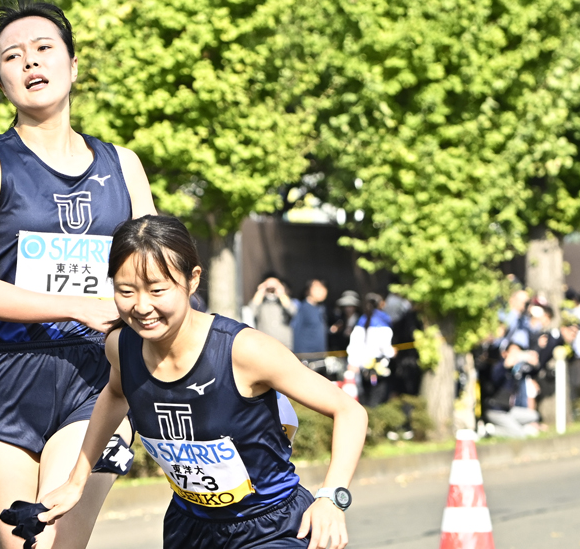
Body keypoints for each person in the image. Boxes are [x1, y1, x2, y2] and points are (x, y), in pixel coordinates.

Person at [0, 0, 157, 549]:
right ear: (2, 84)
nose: (30, 61)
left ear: (72, 64)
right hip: (6, 377)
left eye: (43, 47)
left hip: (98, 376)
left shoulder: (124, 165)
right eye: (12, 56)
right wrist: (77, 305)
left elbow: (156, 275)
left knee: (60, 541)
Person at [39, 215, 368, 549]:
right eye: (126, 291)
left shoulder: (244, 350)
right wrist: (75, 482)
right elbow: (114, 394)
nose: (141, 307)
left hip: (272, 527)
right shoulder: (121, 347)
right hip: (190, 528)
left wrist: (331, 497)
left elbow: (349, 411)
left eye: (157, 290)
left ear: (192, 280)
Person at [345, 293, 394, 407]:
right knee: (377, 400)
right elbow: (386, 349)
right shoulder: (384, 322)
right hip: (379, 367)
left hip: (363, 367)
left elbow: (354, 344)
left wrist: (352, 361)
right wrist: (392, 352)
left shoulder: (361, 321)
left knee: (364, 398)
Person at [246, 273, 298, 349]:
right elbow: (249, 313)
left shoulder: (284, 302)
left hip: (285, 346)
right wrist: (260, 291)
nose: (271, 289)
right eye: (269, 287)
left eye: (274, 287)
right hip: (264, 345)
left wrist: (281, 293)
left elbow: (294, 311)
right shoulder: (261, 304)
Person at [292, 279, 330, 374]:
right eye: (317, 288)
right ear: (308, 290)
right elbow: (296, 331)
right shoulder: (304, 308)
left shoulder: (321, 308)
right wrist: (300, 357)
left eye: (323, 288)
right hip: (307, 360)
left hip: (320, 359)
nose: (322, 291)